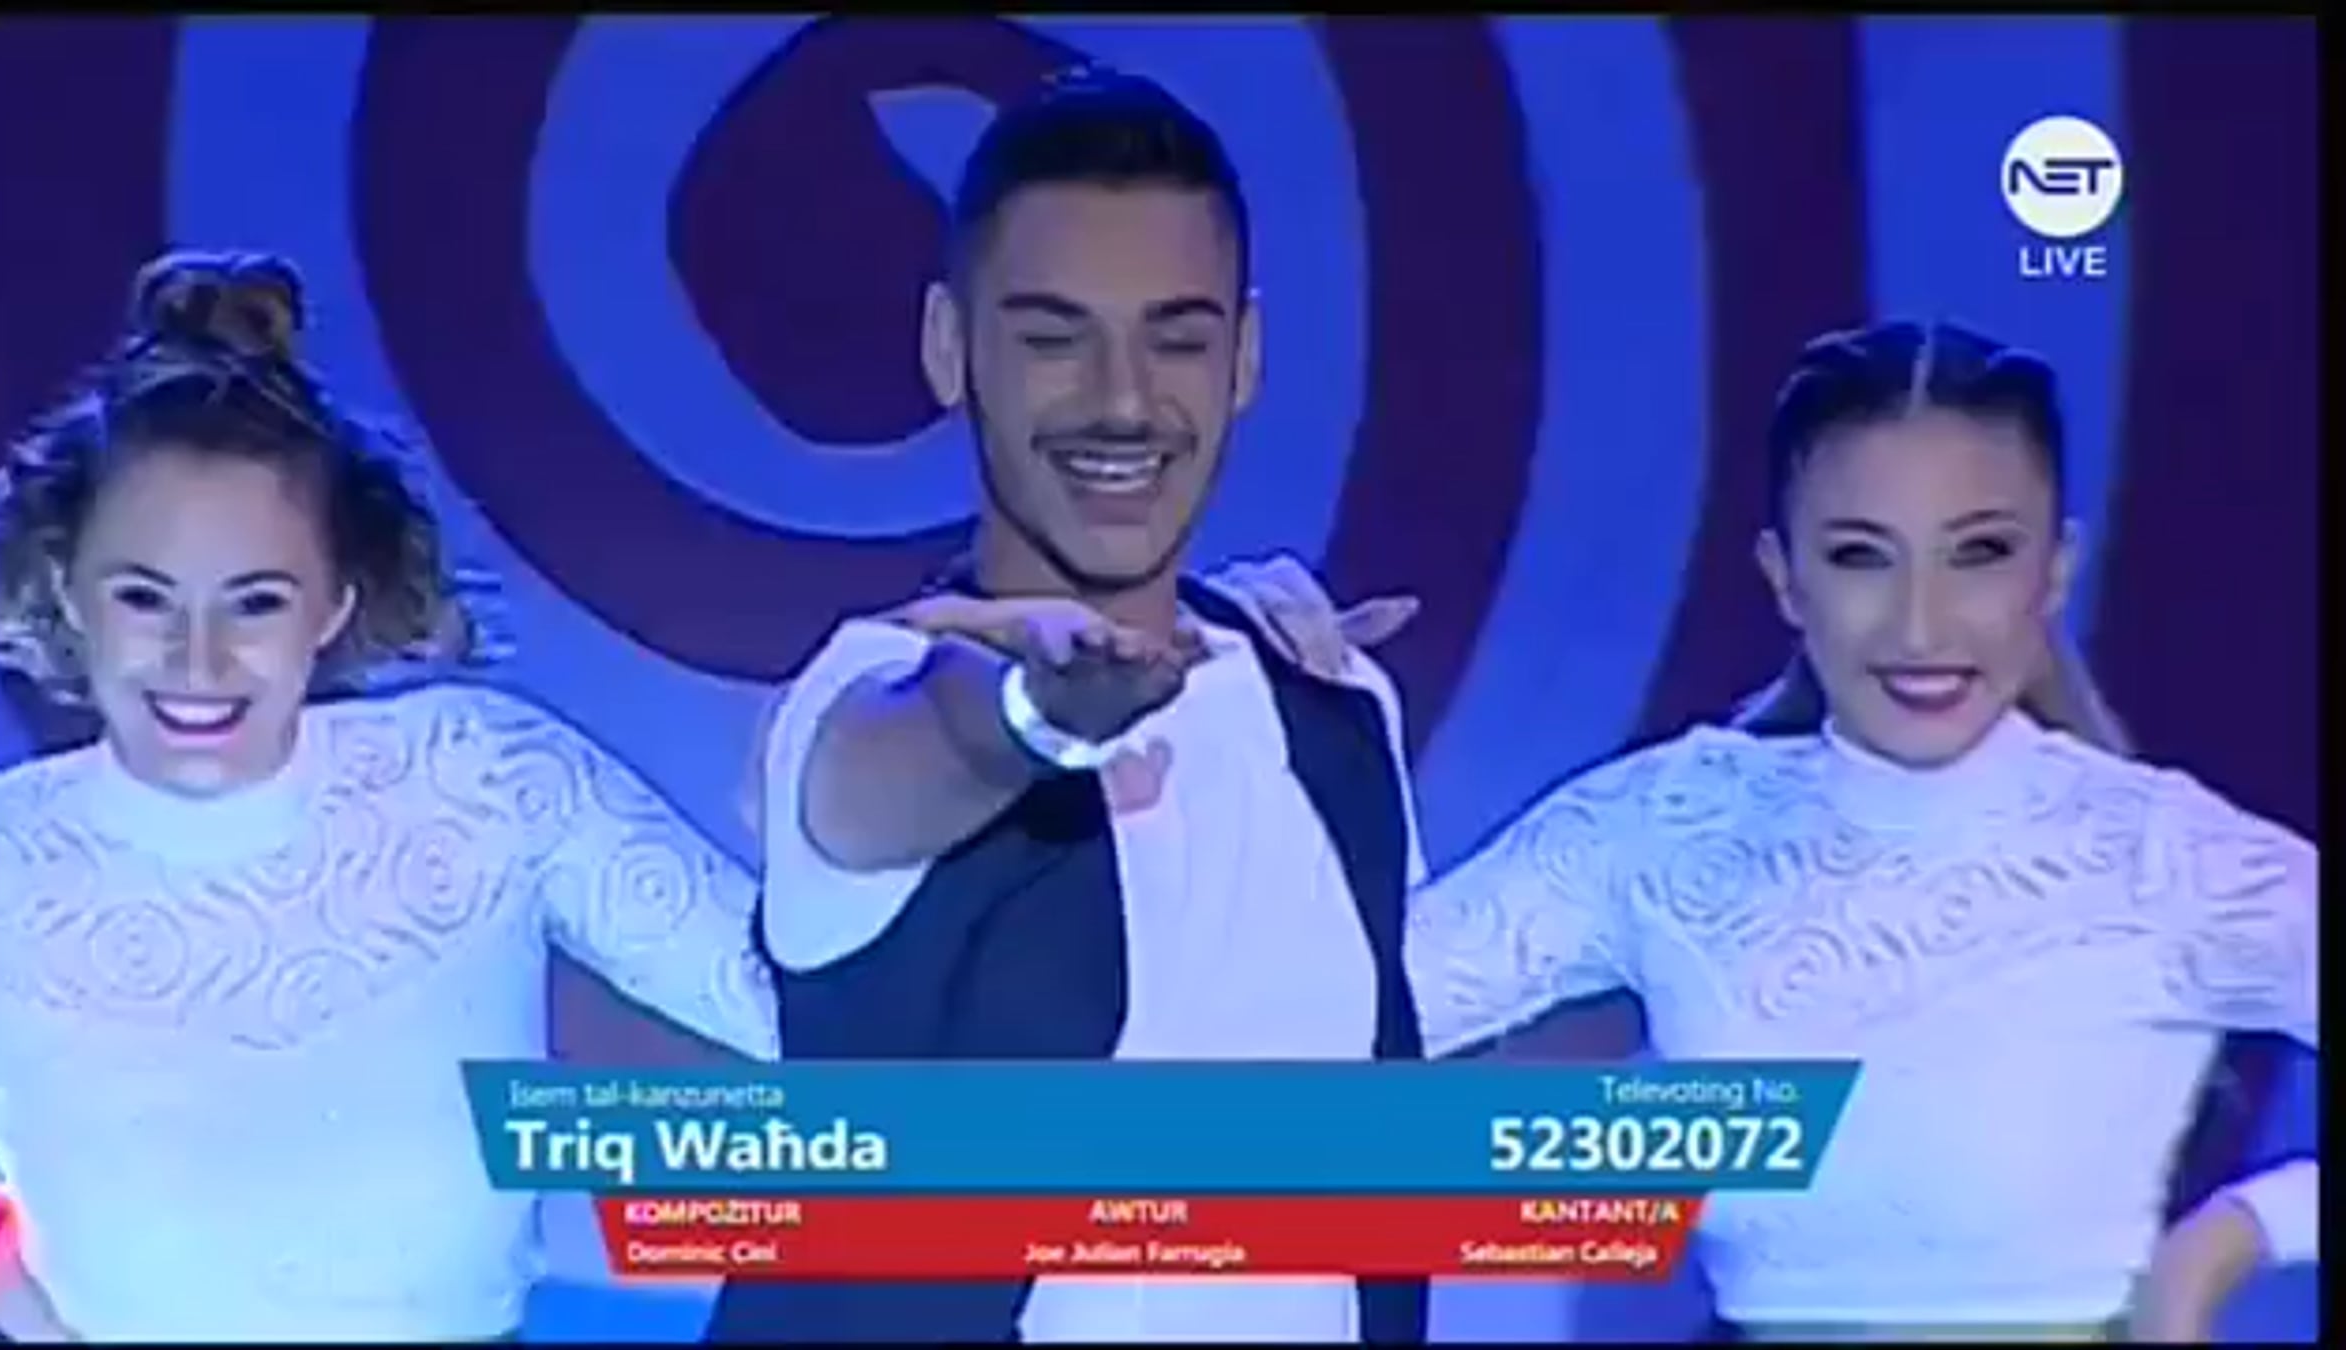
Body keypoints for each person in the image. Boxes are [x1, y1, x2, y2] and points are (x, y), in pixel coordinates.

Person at [1195, 320, 2319, 1341]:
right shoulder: (1667, 828)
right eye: (1860, 555)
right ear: (1785, 578)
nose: (1920, 625)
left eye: (1979, 553)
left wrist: (2227, 1244)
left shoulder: (2167, 858)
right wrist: (1275, 739)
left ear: (2055, 570)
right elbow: (1302, 1039)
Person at [710, 67, 1433, 1345]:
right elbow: (931, 746)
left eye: (1177, 338)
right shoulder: (870, 691)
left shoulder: (1325, 706)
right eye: (1054, 338)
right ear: (952, 349)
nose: (1122, 401)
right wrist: (1041, 716)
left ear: (1245, 358)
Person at [0, 251, 781, 1342]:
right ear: (71, 593)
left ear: (334, 605)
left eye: (256, 603)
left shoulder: (482, 781)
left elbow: (821, 1023)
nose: (198, 659)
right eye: (145, 599)